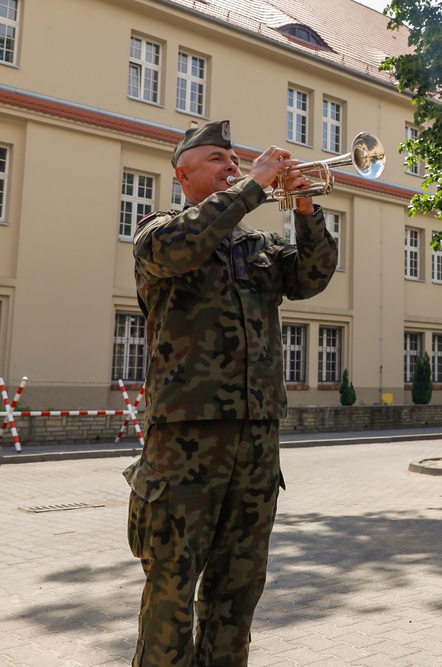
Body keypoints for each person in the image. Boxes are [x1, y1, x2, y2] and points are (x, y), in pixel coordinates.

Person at [124, 120, 339, 666]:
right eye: (217, 158)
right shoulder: (158, 231)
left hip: (256, 439)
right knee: (172, 587)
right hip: (184, 442)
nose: (231, 164)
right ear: (183, 174)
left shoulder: (259, 244)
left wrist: (306, 210)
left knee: (239, 588)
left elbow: (313, 276)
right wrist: (252, 189)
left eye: (233, 158)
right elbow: (185, 247)